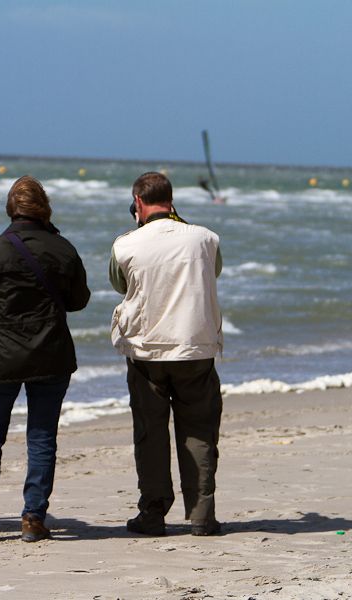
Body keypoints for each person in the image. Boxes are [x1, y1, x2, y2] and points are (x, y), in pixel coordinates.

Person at [0, 176, 90, 543]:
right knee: (42, 436)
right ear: (44, 209)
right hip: (50, 353)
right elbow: (79, 300)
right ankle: (33, 518)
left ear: (10, 210)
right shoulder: (63, 249)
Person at [108, 171, 224, 537]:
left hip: (147, 351)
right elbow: (213, 272)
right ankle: (202, 514)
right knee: (200, 431)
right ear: (172, 201)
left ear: (138, 203)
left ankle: (153, 512)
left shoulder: (127, 243)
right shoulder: (205, 238)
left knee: (150, 433)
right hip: (195, 345)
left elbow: (118, 283)